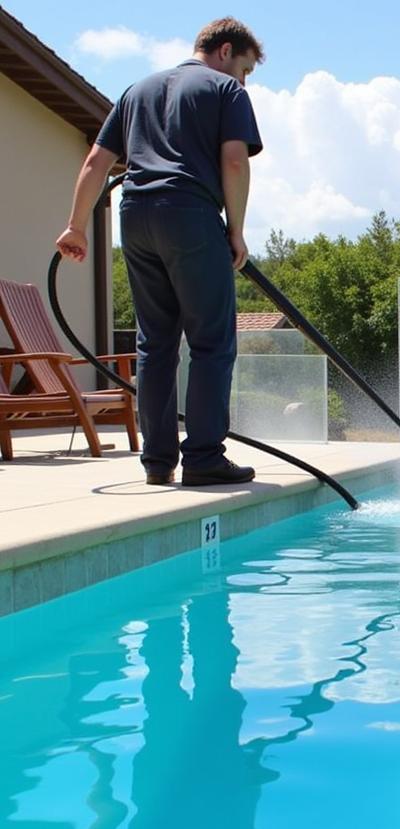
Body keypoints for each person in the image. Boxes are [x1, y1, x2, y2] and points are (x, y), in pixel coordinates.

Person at [55, 18, 265, 487]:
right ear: (225, 50)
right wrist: (236, 230)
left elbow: (96, 161)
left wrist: (76, 226)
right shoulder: (225, 92)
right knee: (211, 341)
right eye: (245, 68)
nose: (244, 79)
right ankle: (205, 457)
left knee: (156, 344)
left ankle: (157, 460)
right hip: (190, 214)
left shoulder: (136, 91)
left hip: (135, 217)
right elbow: (234, 160)